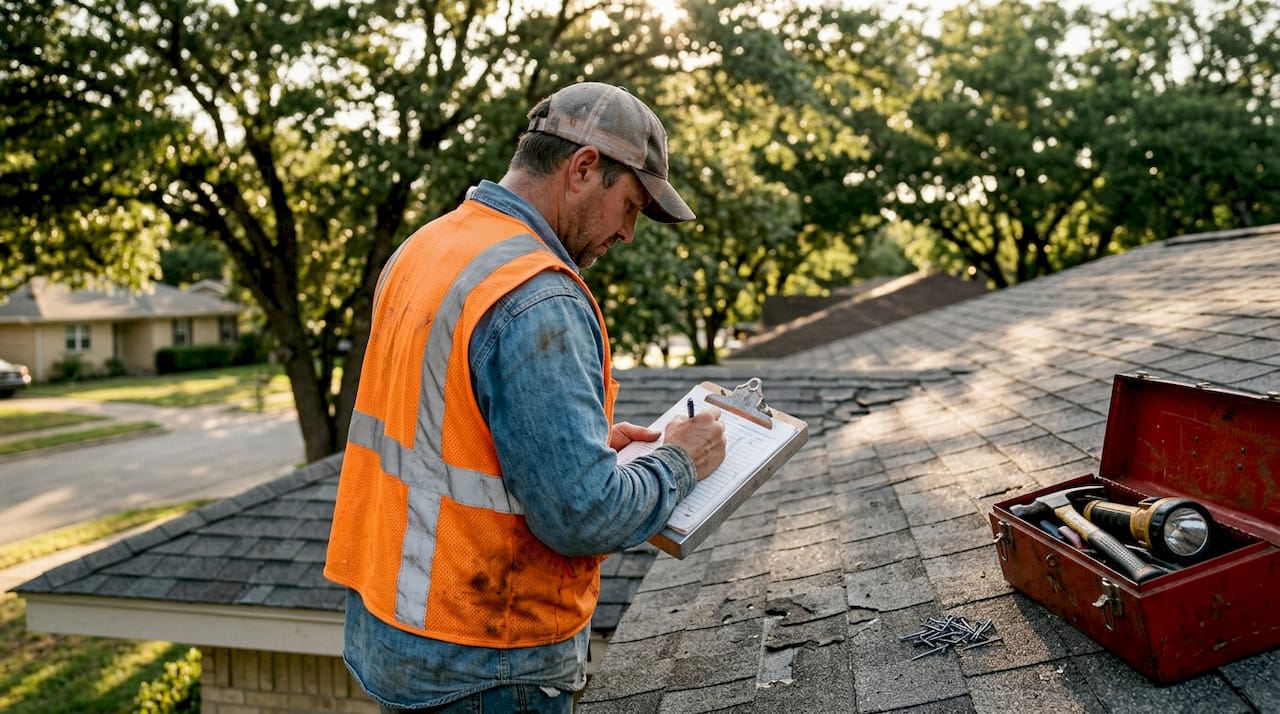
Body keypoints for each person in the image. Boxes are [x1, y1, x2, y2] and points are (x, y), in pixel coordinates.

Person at [324, 82, 728, 713]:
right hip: (489, 660)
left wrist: (583, 446)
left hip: (397, 634)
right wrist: (681, 461)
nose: (627, 234)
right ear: (584, 168)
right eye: (629, 206)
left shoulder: (428, 249)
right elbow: (583, 516)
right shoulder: (538, 296)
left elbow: (447, 431)